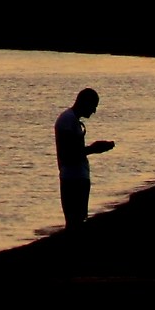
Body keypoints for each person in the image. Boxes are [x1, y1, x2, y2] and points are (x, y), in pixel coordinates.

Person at [54, 88, 115, 230]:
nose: (94, 111)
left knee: (79, 220)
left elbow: (74, 151)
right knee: (75, 222)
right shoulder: (67, 120)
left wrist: (94, 149)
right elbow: (69, 153)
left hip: (76, 177)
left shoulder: (71, 120)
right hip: (72, 178)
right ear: (84, 102)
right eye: (93, 106)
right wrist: (94, 149)